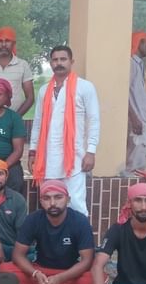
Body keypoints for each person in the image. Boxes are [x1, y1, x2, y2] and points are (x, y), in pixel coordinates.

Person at [0, 179, 95, 284]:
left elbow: (87, 261)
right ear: (41, 201)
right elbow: (18, 255)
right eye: (47, 198)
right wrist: (35, 273)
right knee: (3, 270)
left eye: (58, 197)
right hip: (41, 271)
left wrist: (60, 278)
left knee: (98, 279)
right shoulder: (33, 219)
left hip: (69, 273)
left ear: (68, 199)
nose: (53, 203)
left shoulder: (80, 221)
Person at [29, 46, 100, 216]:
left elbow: (94, 120)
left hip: (74, 159)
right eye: (55, 60)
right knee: (50, 205)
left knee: (76, 205)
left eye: (63, 59)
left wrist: (91, 151)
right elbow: (37, 123)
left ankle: (81, 234)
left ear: (71, 62)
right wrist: (32, 152)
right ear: (51, 63)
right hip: (47, 159)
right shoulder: (44, 90)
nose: (59, 63)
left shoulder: (85, 87)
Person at [127, 32, 146, 172]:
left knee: (138, 161)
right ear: (139, 43)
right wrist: (134, 118)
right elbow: (124, 93)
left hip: (139, 120)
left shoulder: (139, 65)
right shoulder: (131, 64)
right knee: (133, 165)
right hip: (135, 121)